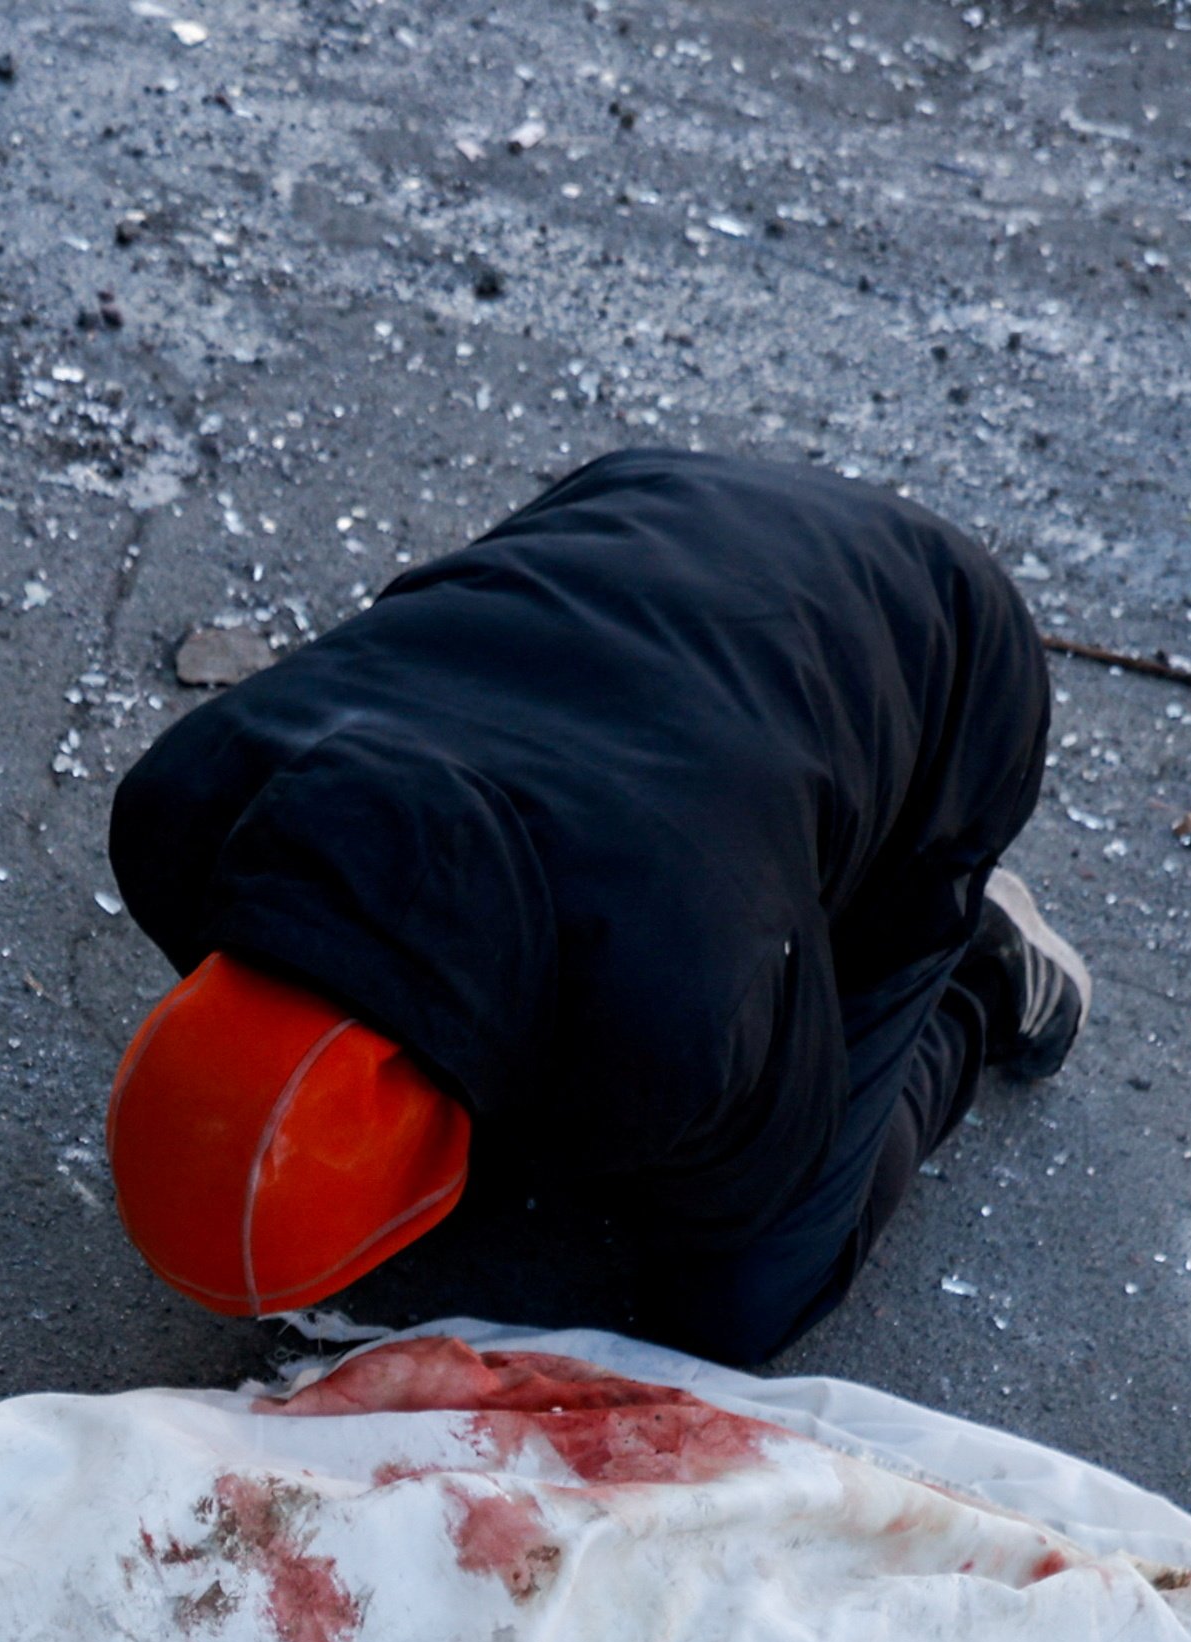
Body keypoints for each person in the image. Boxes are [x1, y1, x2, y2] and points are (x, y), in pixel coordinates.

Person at [102, 446, 1085, 1367]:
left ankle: (984, 974)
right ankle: (782, 855)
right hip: (638, 511)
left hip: (942, 658)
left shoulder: (675, 1010)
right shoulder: (177, 815)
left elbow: (772, 1149)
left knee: (745, 1299)